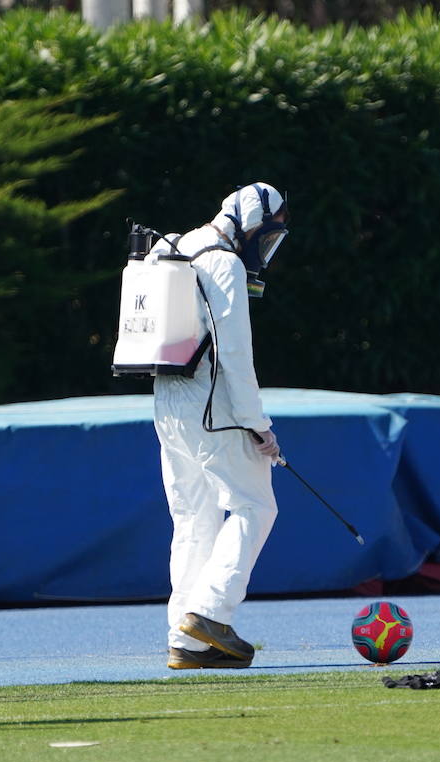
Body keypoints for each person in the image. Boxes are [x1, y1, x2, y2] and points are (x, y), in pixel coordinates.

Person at [153, 182, 288, 670]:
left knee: (194, 518)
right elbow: (234, 354)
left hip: (167, 404)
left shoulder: (176, 246)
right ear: (251, 225)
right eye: (267, 235)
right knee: (256, 505)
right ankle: (210, 614)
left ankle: (185, 641)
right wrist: (259, 426)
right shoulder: (224, 263)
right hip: (213, 406)